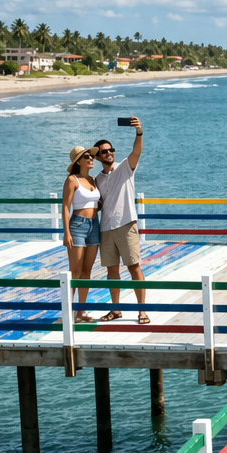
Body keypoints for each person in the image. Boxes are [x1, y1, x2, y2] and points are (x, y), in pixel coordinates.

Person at [92, 119, 149, 323]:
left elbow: (137, 152)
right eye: (104, 152)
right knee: (112, 270)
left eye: (111, 150)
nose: (109, 153)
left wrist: (139, 132)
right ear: (98, 157)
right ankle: (115, 310)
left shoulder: (125, 167)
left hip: (126, 225)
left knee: (134, 267)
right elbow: (98, 204)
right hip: (106, 228)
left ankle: (142, 311)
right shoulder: (97, 179)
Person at [60, 146, 101, 323]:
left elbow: (97, 204)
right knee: (75, 272)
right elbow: (65, 207)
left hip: (94, 225)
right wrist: (66, 232)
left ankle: (81, 312)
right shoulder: (72, 179)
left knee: (87, 271)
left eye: (91, 156)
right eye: (87, 156)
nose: (91, 158)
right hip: (77, 226)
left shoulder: (92, 179)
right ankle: (69, 312)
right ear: (78, 161)